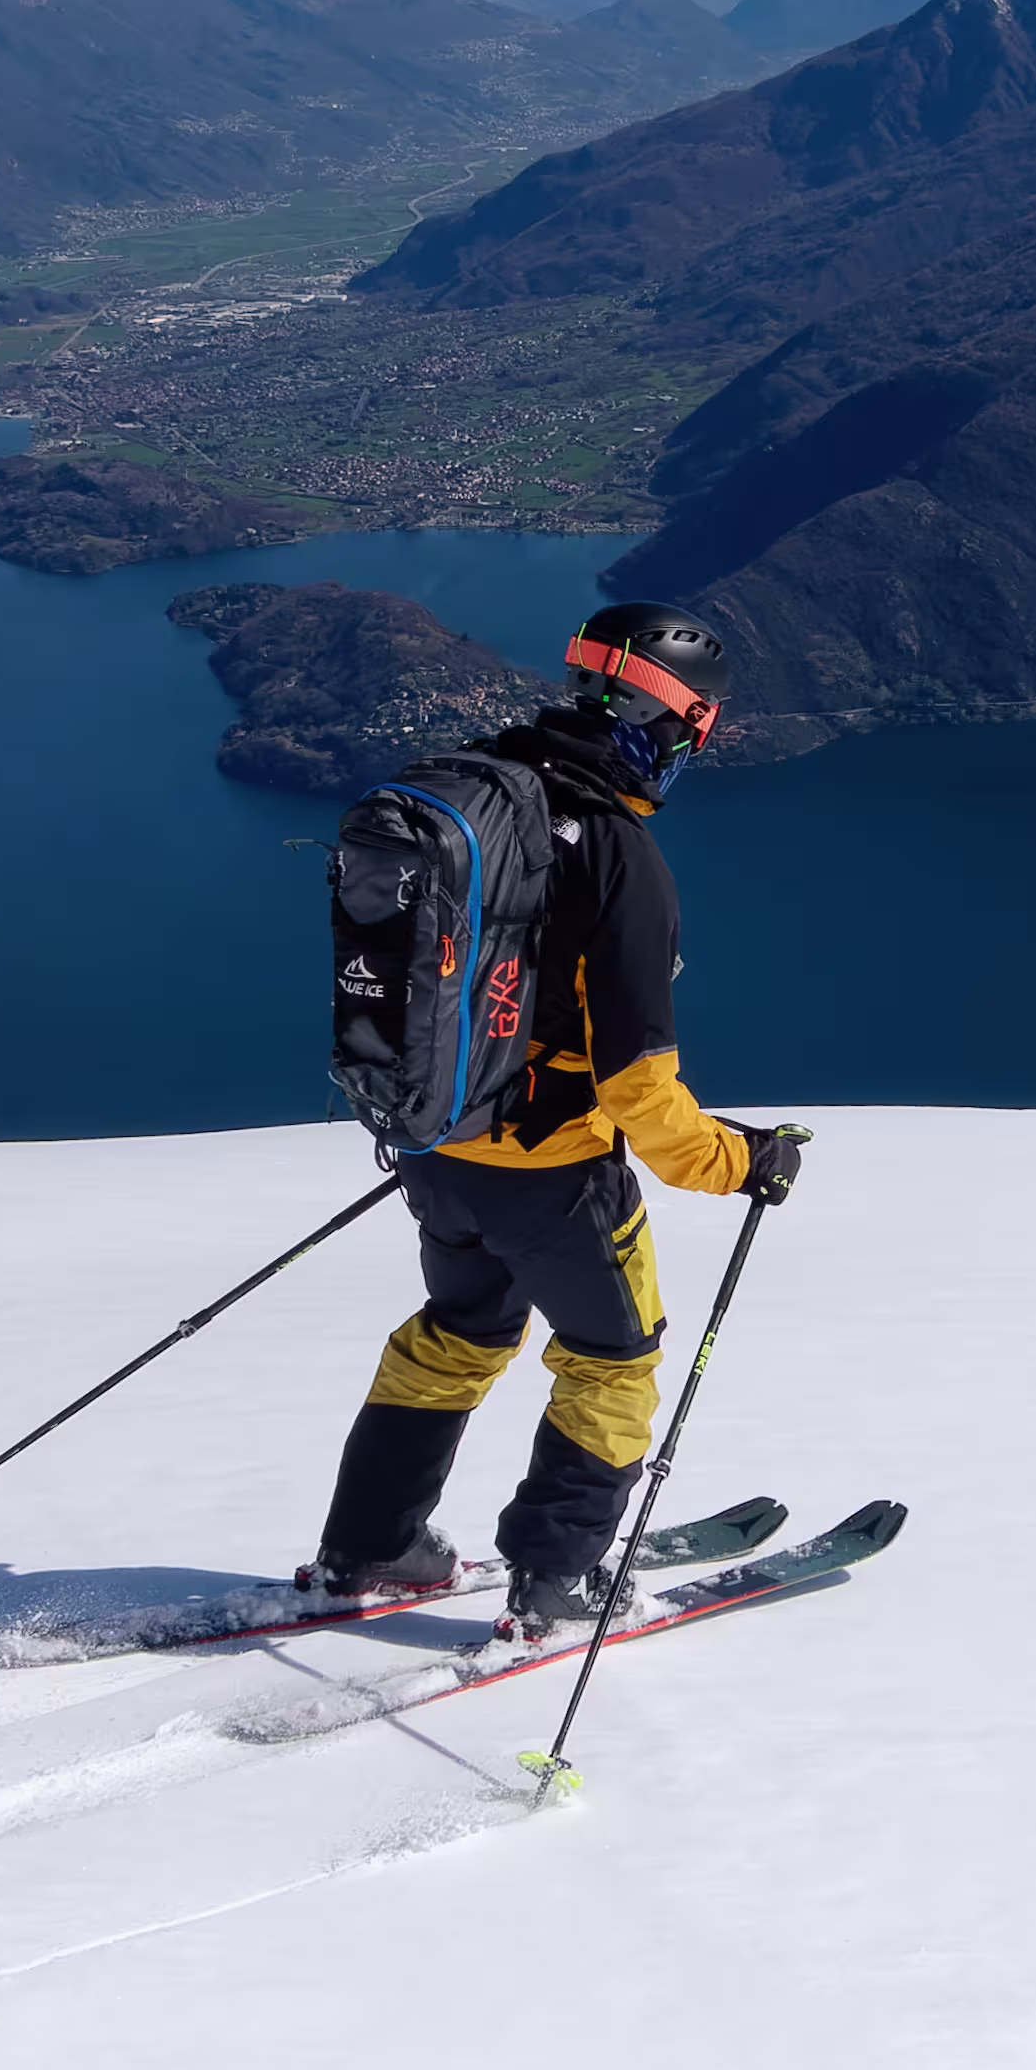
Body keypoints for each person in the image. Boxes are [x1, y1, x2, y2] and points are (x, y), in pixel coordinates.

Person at [298, 601, 808, 1634]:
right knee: (612, 1362)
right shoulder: (620, 858)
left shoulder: (493, 792)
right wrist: (740, 1160)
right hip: (556, 1176)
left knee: (460, 1331)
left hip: (435, 1145)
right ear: (683, 724)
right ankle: (555, 1581)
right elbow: (635, 1088)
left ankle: (369, 1545)